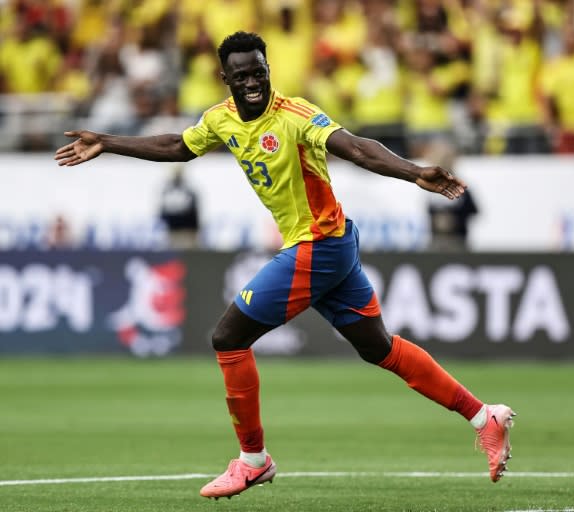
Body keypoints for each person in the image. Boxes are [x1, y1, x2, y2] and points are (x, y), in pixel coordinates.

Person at [54, 31, 515, 499]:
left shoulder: (295, 115)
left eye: (259, 71)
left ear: (269, 68)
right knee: (378, 348)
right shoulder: (220, 119)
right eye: (241, 76)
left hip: (320, 244)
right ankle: (484, 416)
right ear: (225, 79)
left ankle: (253, 460)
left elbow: (355, 146)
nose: (253, 82)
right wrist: (108, 142)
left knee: (228, 337)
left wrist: (415, 171)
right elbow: (178, 146)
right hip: (330, 244)